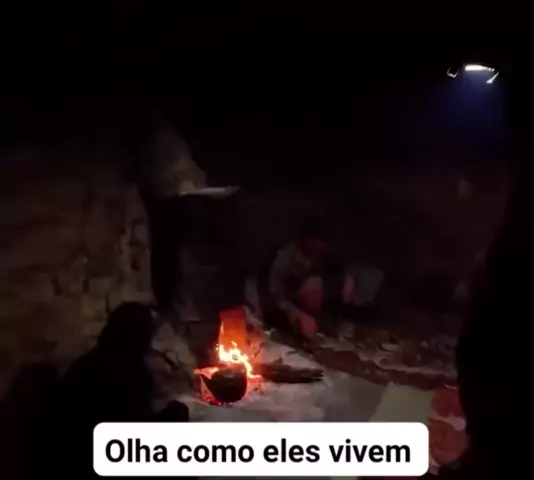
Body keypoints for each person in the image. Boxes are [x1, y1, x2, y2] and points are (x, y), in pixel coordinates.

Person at [56, 302, 189, 479]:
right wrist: (173, 415)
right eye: (146, 335)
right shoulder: (124, 372)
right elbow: (136, 433)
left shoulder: (91, 362)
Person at [260, 218, 358, 342]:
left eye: (323, 244)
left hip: (311, 312)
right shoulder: (283, 259)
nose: (320, 248)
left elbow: (339, 279)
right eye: (316, 242)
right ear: (304, 239)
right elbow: (275, 297)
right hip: (282, 310)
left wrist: (347, 282)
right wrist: (296, 313)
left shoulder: (324, 258)